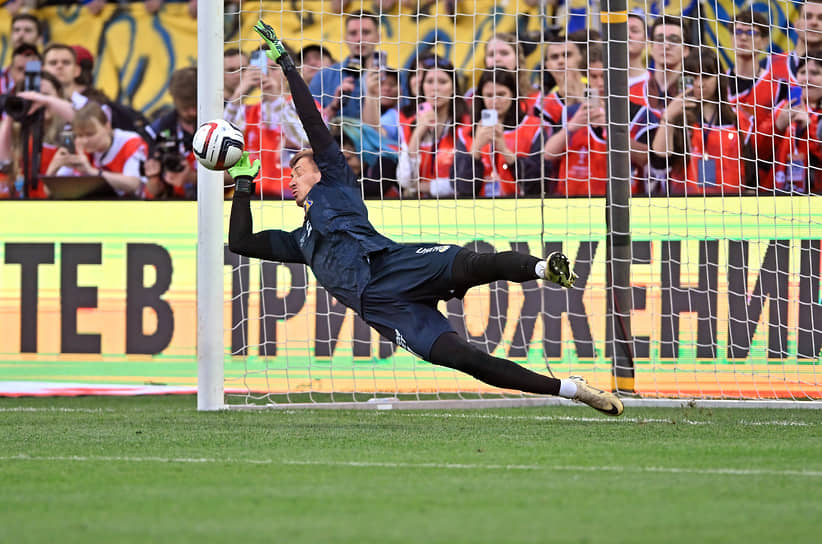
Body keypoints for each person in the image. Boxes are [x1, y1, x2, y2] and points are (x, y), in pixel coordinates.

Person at [227, 20, 623, 417]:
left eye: (298, 171)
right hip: (386, 309)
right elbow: (241, 242)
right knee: (467, 359)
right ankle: (573, 390)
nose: (291, 179)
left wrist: (287, 65)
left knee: (472, 265)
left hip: (396, 264)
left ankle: (542, 268)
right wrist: (243, 183)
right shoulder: (301, 241)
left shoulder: (338, 183)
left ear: (320, 171)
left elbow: (313, 122)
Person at [650, 47, 755, 196]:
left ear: (719, 78)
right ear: (684, 80)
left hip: (731, 203)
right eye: (693, 77)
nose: (699, 83)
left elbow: (751, 177)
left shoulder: (738, 120)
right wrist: (668, 118)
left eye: (706, 76)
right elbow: (658, 165)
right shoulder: (676, 117)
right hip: (685, 204)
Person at [454, 69, 546, 197]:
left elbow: (539, 184)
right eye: (489, 95)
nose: (495, 101)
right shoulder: (466, 134)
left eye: (501, 94)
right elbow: (462, 188)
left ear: (513, 94)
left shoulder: (533, 127)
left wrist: (505, 150)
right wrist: (475, 148)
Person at [396, 56, 471, 198]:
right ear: (422, 88)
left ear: (453, 88)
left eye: (442, 82)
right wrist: (418, 133)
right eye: (429, 82)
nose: (435, 88)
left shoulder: (466, 125)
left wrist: (427, 187)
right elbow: (405, 180)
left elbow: (466, 181)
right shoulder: (410, 124)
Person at [45, 100, 148, 199]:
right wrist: (53, 168)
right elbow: (50, 192)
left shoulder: (130, 141)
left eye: (90, 134)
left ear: (107, 127)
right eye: (80, 135)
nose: (85, 141)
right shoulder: (77, 145)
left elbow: (133, 184)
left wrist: (91, 172)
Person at [309, 10, 386, 120]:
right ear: (345, 38)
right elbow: (308, 122)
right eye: (353, 33)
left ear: (378, 37)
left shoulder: (394, 78)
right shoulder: (323, 77)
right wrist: (333, 106)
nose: (359, 39)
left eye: (366, 32)